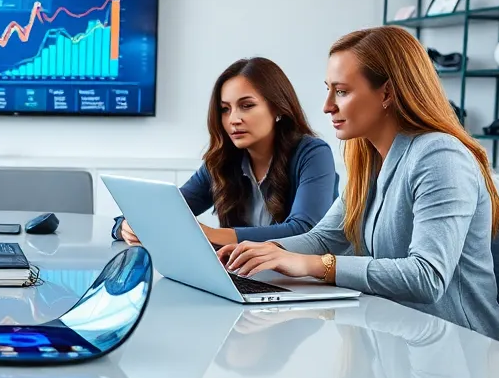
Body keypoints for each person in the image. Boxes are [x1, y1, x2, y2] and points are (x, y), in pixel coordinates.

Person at [222, 25, 499, 343]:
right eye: (328, 89)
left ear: (387, 93)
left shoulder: (440, 156)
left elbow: (427, 277)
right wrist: (265, 253)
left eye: (342, 91)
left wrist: (314, 265)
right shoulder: (370, 159)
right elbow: (324, 239)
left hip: (460, 349)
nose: (327, 105)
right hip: (399, 336)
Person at [114, 57, 336, 247]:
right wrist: (125, 225)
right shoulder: (223, 160)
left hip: (307, 282)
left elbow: (305, 230)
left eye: (247, 106)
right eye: (225, 109)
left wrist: (210, 235)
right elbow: (170, 209)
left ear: (277, 108)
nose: (233, 120)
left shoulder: (312, 153)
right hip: (248, 276)